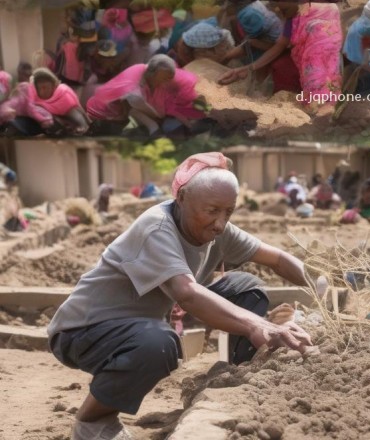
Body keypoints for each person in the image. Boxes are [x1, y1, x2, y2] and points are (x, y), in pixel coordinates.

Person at [48, 153, 318, 440]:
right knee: (160, 344)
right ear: (182, 198)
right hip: (84, 330)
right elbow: (186, 293)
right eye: (212, 210)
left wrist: (324, 284)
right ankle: (93, 420)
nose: (220, 223)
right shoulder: (157, 227)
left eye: (229, 212)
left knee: (245, 287)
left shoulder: (218, 229)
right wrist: (259, 326)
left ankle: (240, 376)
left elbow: (276, 259)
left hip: (148, 316)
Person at [219, 0, 343, 106]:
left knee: (310, 90)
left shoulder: (317, 27)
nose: (276, 10)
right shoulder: (294, 15)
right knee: (280, 68)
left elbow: (319, 71)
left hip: (322, 69)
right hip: (306, 62)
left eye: (281, 6)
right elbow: (279, 46)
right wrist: (248, 68)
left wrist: (317, 101)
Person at [86, 54, 207, 136]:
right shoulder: (133, 90)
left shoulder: (151, 71)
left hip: (124, 108)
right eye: (165, 78)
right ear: (152, 74)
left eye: (170, 78)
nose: (168, 81)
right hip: (107, 114)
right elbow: (149, 112)